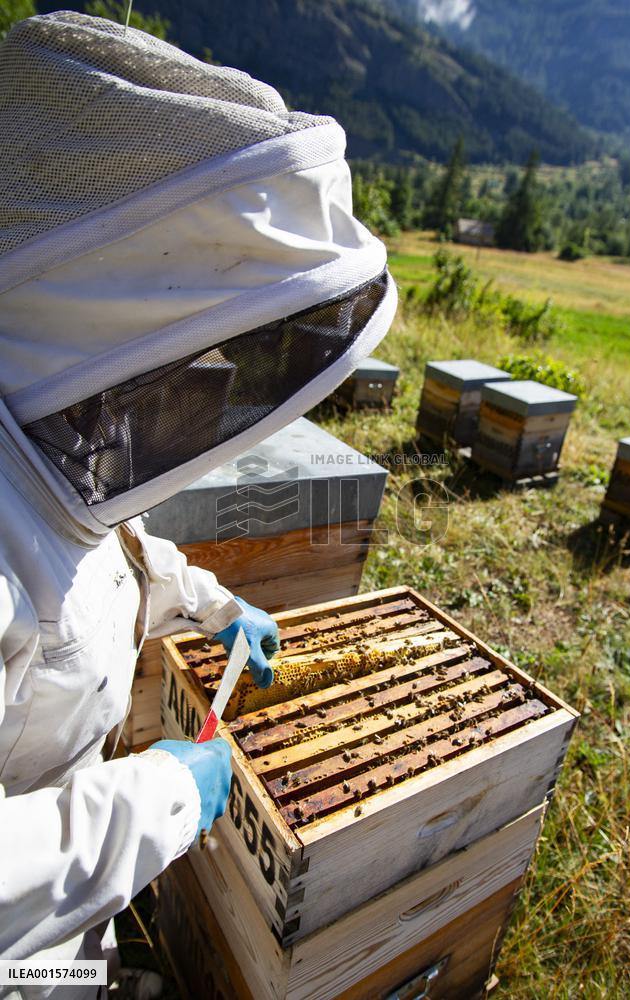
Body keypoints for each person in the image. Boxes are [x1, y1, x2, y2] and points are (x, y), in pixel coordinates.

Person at [0, 10, 397, 998]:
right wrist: (169, 793)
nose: (205, 396)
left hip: (69, 890)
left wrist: (217, 606)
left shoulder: (46, 450)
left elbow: (106, 547)